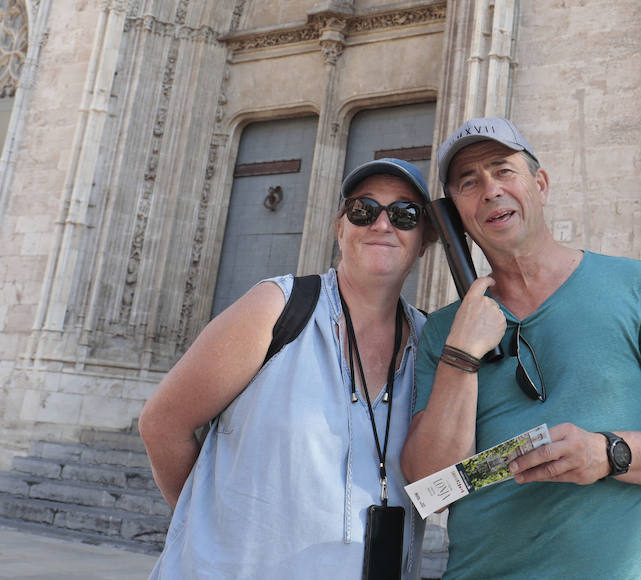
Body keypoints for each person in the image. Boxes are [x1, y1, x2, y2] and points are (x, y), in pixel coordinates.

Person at [399, 117, 641, 579]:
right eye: (469, 182)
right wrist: (462, 355)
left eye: (503, 170)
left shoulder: (636, 286)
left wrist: (609, 453)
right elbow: (430, 483)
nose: (490, 189)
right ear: (455, 217)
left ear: (541, 184)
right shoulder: (444, 332)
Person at [140, 158, 435, 579]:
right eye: (363, 210)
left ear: (424, 240)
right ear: (340, 228)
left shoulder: (431, 344)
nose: (382, 225)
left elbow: (450, 472)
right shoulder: (277, 307)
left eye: (405, 214)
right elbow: (162, 424)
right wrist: (214, 528)